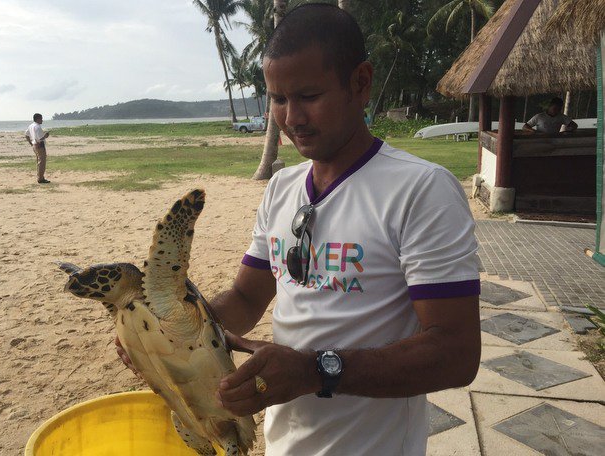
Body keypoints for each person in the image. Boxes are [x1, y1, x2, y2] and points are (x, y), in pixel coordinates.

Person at [118, 4, 480, 455]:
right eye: (278, 98)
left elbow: (456, 354)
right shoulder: (283, 187)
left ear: (361, 83)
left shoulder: (421, 190)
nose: (291, 118)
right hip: (285, 440)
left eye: (308, 95)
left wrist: (316, 371)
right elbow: (248, 299)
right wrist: (171, 338)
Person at [25, 113, 50, 183]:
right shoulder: (37, 127)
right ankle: (40, 179)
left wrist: (31, 143)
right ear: (38, 119)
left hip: (34, 145)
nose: (42, 120)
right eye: (41, 118)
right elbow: (40, 139)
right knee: (42, 162)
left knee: (39, 162)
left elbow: (26, 135)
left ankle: (40, 177)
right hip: (40, 145)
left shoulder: (31, 126)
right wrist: (46, 136)